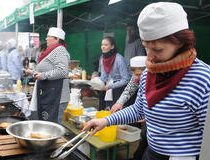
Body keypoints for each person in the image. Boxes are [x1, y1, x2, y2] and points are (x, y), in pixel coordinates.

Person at [83, 2, 210, 160]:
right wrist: (106, 120)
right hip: (152, 152)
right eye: (145, 47)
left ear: (182, 43)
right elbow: (139, 109)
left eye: (157, 49)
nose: (149, 56)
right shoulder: (149, 73)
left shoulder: (203, 79)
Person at [26, 27, 70, 124]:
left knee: (53, 125)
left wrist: (42, 75)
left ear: (57, 39)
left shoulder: (60, 50)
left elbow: (63, 71)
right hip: (50, 93)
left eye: (48, 36)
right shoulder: (51, 51)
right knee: (47, 124)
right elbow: (47, 70)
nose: (46, 39)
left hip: (57, 96)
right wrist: (33, 72)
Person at [110, 56, 147, 160]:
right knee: (144, 135)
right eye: (134, 74)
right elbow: (129, 89)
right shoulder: (136, 76)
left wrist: (147, 114)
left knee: (147, 136)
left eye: (139, 74)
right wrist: (119, 103)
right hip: (145, 112)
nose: (136, 78)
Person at [97, 36, 131, 110]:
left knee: (117, 111)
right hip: (111, 86)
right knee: (108, 110)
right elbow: (104, 77)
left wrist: (109, 86)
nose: (103, 47)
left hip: (121, 88)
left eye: (106, 45)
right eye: (102, 44)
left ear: (112, 47)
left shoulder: (119, 59)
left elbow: (126, 79)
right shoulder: (103, 58)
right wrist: (95, 81)